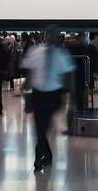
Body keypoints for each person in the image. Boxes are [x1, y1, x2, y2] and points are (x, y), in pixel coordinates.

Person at [22, 26, 75, 171]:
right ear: (45, 35)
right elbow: (30, 75)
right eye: (50, 33)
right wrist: (26, 93)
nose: (52, 36)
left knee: (42, 126)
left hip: (54, 94)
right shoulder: (35, 51)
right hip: (38, 93)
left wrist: (70, 96)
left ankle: (42, 156)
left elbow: (68, 75)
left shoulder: (62, 54)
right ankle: (43, 157)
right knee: (41, 126)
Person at [69, 32, 98, 112]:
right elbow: (96, 65)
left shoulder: (71, 50)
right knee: (84, 92)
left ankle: (78, 109)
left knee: (78, 94)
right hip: (87, 77)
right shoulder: (90, 49)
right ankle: (84, 109)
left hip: (74, 78)